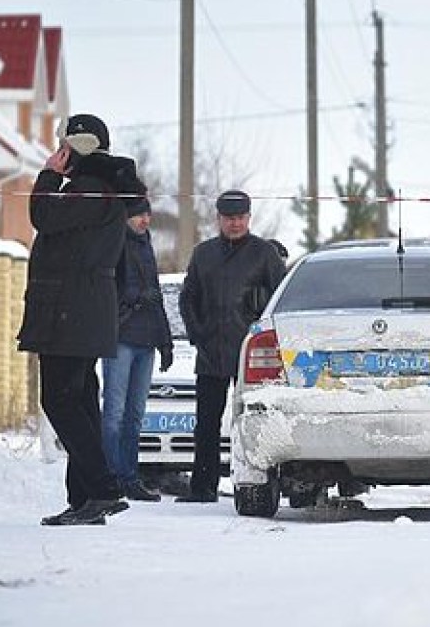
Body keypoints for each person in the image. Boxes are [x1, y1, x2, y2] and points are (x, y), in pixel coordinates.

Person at [19, 113, 142, 525]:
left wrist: (47, 175)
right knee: (82, 401)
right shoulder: (101, 190)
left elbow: (44, 217)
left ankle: (103, 489)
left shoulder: (90, 189)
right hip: (83, 310)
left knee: (59, 399)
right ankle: (85, 498)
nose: (58, 154)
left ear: (78, 148)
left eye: (64, 148)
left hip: (72, 312)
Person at [177, 190, 287, 502]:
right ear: (219, 219)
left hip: (253, 355)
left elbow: (280, 301)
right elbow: (188, 299)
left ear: (249, 218)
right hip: (211, 351)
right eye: (229, 218)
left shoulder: (264, 253)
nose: (235, 223)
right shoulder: (203, 254)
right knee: (207, 423)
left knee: (258, 419)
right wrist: (197, 334)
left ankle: (263, 484)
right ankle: (203, 488)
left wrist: (263, 337)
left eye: (240, 217)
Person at [101, 193, 174, 502]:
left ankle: (130, 477)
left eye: (148, 214)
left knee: (135, 414)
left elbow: (155, 295)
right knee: (114, 412)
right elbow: (106, 290)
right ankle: (111, 477)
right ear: (126, 216)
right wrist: (133, 298)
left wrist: (166, 341)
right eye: (139, 215)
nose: (145, 220)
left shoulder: (146, 245)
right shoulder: (115, 243)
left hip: (146, 341)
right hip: (120, 339)